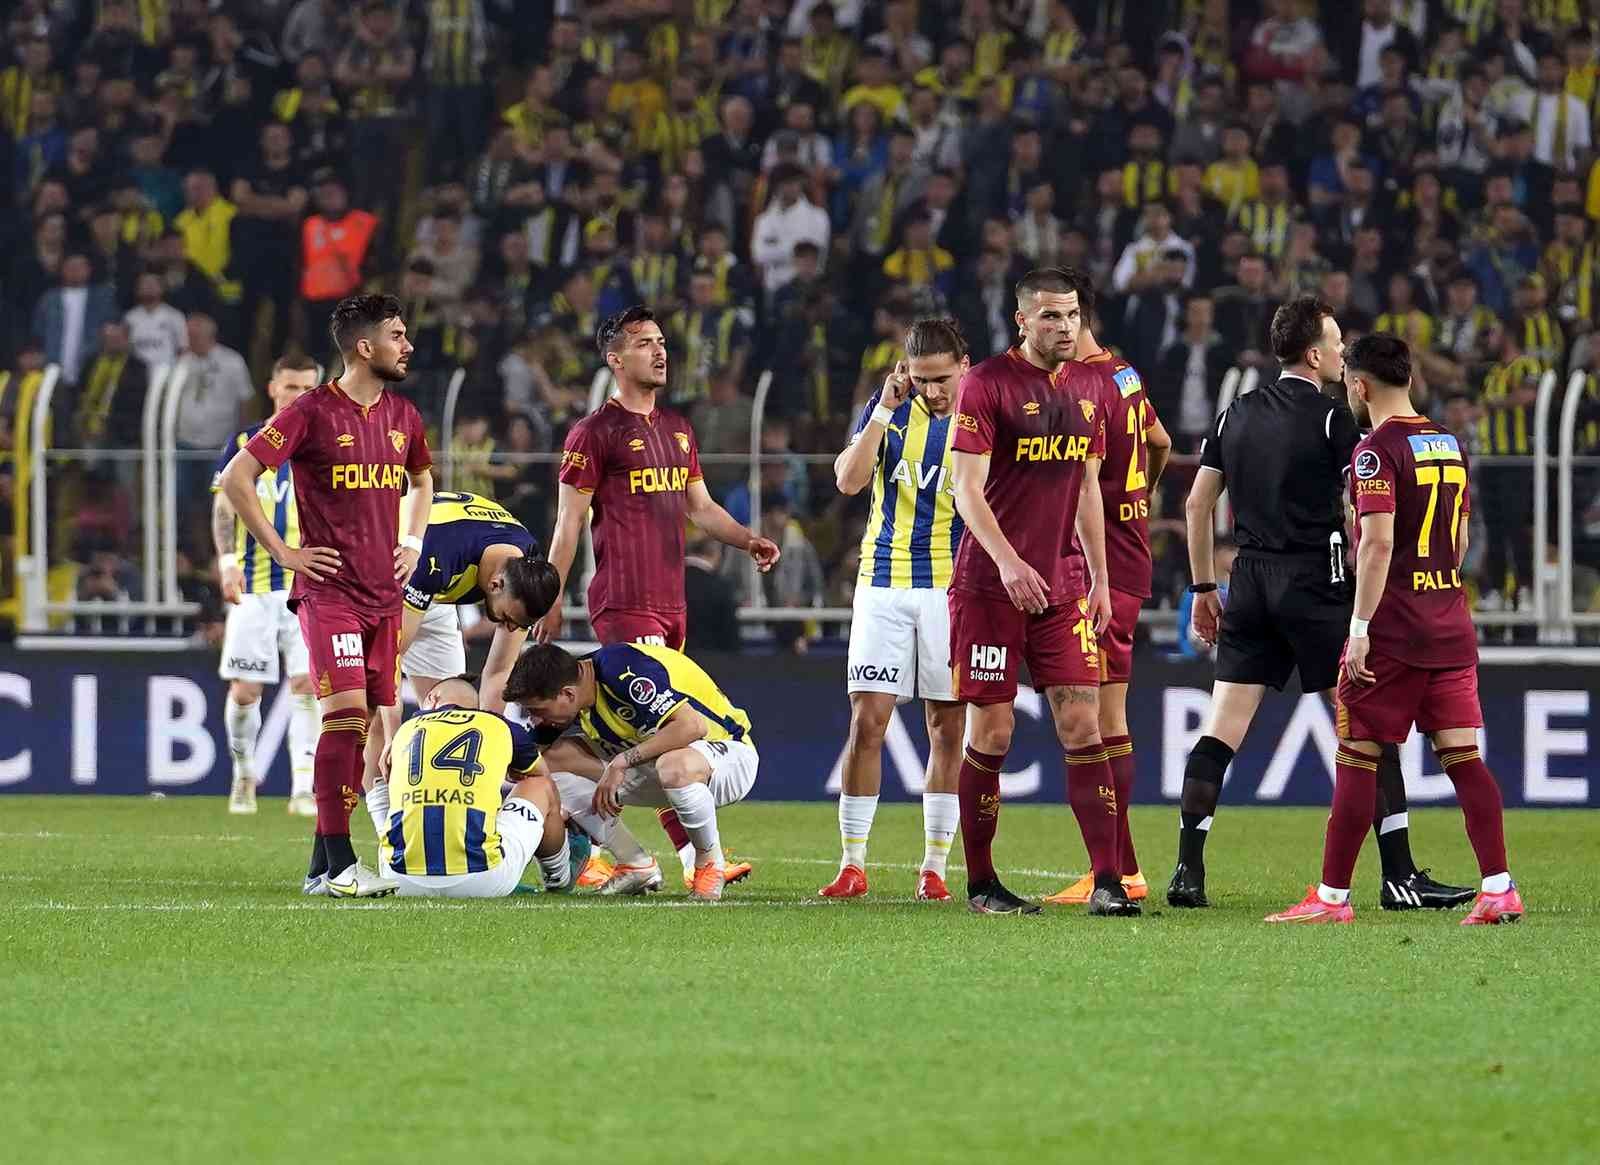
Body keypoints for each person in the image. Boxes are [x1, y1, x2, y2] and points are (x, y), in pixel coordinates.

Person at [1173, 297, 1472, 912]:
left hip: (1250, 582)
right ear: (1314, 354)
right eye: (1336, 344)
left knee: (1220, 729)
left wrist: (1205, 588)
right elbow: (1358, 504)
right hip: (1317, 584)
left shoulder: (1234, 414)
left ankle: (1187, 870)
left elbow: (1197, 506)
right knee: (1368, 731)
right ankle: (1399, 876)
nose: (1342, 355)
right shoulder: (1337, 421)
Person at [1267, 335, 1521, 925]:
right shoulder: (1448, 443)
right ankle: (1499, 887)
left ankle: (1331, 899)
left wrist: (1359, 628)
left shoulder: (1376, 452)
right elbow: (1456, 545)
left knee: (1357, 753)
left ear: (1360, 385)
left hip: (1393, 633)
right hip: (1449, 624)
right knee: (1462, 755)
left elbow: (1377, 546)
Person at [533, 306, 778, 889]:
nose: (660, 352)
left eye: (662, 342)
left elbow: (701, 508)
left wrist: (746, 540)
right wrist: (551, 593)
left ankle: (623, 853)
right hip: (625, 599)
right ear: (615, 360)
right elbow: (569, 525)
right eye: (644, 344)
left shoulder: (677, 429)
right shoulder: (594, 433)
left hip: (672, 605)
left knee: (649, 728)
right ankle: (651, 856)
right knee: (641, 730)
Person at [220, 294, 433, 898]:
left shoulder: (404, 416)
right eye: (397, 335)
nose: (407, 345)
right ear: (365, 348)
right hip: (330, 592)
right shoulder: (310, 412)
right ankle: (341, 864)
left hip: (385, 596)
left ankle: (321, 867)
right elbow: (239, 477)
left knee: (359, 726)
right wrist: (283, 553)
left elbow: (422, 479)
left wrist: (412, 539)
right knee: (342, 718)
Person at [947, 267, 1133, 917]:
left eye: (1073, 314)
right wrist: (1007, 563)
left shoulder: (1092, 385)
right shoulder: (985, 384)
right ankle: (980, 884)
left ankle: (1108, 880)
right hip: (990, 587)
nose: (1064, 326)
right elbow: (965, 488)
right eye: (1050, 316)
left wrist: (1102, 578)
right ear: (1021, 320)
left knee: (1084, 723)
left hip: (1061, 585)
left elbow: (1087, 486)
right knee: (993, 734)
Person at [821, 319, 969, 902]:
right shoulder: (889, 411)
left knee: (946, 727)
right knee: (866, 723)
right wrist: (881, 409)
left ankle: (934, 866)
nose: (934, 391)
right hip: (882, 582)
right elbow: (848, 482)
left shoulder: (983, 413)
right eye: (923, 379)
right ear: (906, 371)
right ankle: (852, 864)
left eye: (944, 379)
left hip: (952, 588)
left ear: (964, 364)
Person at [1043, 291, 1172, 906]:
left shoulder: (1079, 384)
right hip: (1130, 554)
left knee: (1099, 721)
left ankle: (1119, 871)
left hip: (1098, 566)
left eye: (1062, 317)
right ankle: (1124, 866)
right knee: (1107, 718)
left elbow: (1081, 481)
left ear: (1078, 319)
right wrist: (1138, 502)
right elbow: (1162, 441)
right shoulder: (1125, 373)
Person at [504, 642, 759, 902]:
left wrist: (622, 761)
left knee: (673, 765)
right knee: (547, 763)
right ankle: (635, 864)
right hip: (659, 769)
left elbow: (692, 727)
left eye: (538, 710)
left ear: (568, 695)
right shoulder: (574, 686)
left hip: (727, 760)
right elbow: (524, 761)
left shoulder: (623, 671)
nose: (536, 719)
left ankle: (708, 864)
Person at [211, 353, 321, 817]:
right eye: (290, 387)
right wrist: (227, 561)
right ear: (273, 387)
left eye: (307, 389)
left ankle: (303, 788)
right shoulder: (244, 442)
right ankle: (244, 774)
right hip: (254, 586)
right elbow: (223, 508)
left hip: (308, 587)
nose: (298, 396)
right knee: (245, 692)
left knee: (307, 686)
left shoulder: (323, 445)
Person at [367, 677, 584, 899]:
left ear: (432, 700)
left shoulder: (406, 729)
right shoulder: (498, 725)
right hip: (482, 879)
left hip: (398, 879)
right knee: (541, 785)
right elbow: (541, 773)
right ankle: (558, 876)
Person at [398, 491, 560, 713]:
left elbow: (499, 672)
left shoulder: (527, 576)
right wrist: (388, 729)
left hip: (435, 588)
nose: (510, 628)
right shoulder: (437, 554)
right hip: (390, 573)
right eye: (508, 619)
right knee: (370, 708)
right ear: (495, 585)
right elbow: (388, 662)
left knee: (449, 714)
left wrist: (488, 731)